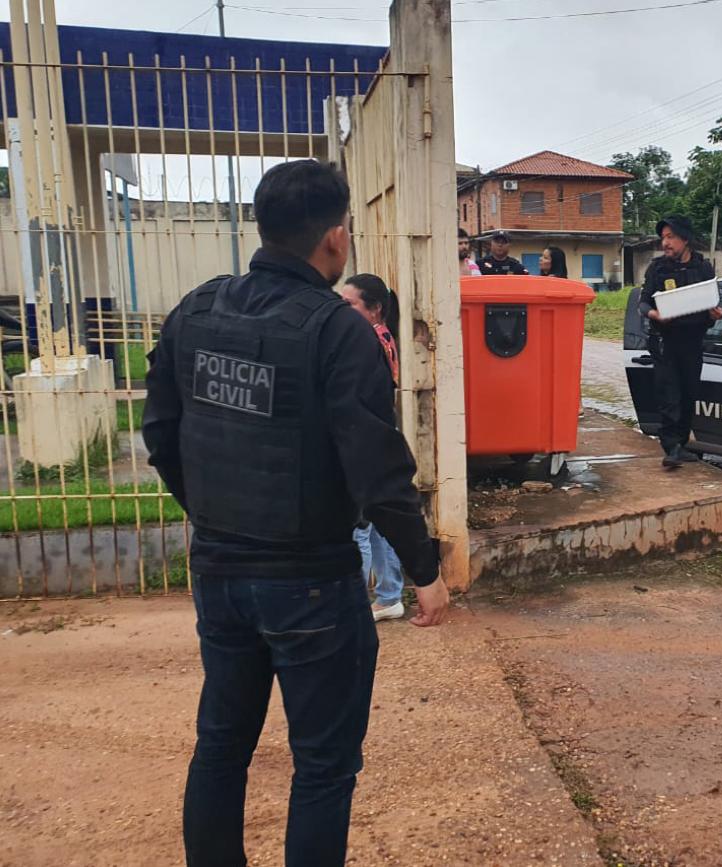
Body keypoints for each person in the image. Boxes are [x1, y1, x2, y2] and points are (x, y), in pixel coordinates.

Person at [142, 158, 450, 867]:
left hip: (218, 569)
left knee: (221, 746)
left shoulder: (196, 310)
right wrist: (422, 567)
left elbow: (161, 434)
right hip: (309, 579)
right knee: (322, 767)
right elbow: (378, 469)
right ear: (337, 237)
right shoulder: (340, 333)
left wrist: (214, 512)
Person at [339, 273, 407, 622]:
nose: (342, 309)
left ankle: (357, 602)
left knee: (360, 527)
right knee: (378, 525)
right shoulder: (381, 336)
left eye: (349, 303)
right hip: (380, 436)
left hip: (366, 441)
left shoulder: (368, 341)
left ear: (375, 309)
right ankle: (389, 595)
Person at [638, 215, 722, 470]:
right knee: (669, 394)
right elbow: (643, 303)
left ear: (685, 239)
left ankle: (682, 445)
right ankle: (671, 446)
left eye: (670, 237)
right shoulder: (657, 269)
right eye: (663, 238)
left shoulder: (703, 268)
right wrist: (655, 314)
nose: (665, 243)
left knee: (688, 392)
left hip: (693, 340)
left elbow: (715, 300)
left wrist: (718, 312)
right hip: (666, 341)